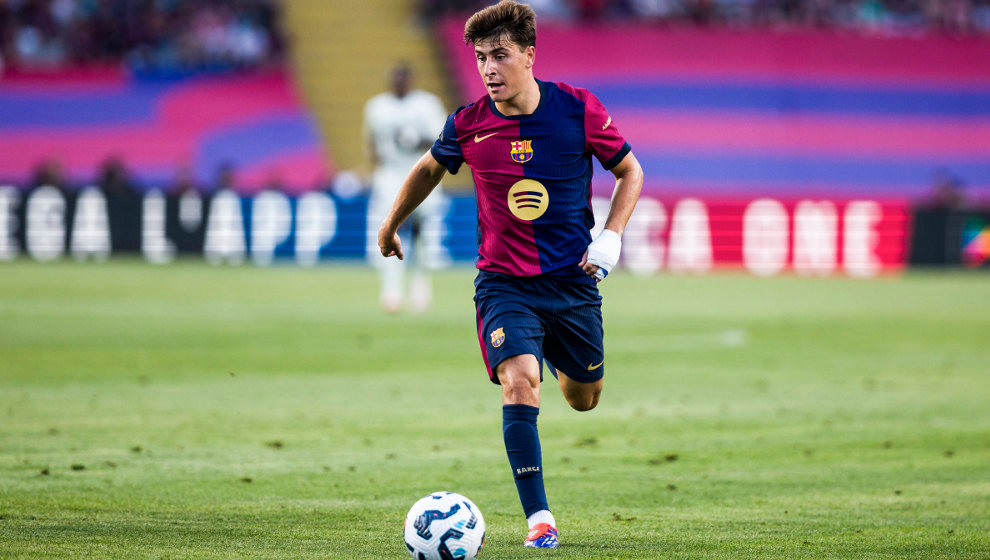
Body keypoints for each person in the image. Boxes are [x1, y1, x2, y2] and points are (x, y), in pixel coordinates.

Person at [378, 0, 643, 549]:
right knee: (520, 382)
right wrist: (391, 224)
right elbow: (430, 167)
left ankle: (546, 351)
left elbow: (629, 171)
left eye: (499, 55)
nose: (489, 69)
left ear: (528, 54)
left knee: (584, 398)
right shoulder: (470, 123)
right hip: (503, 284)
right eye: (480, 58)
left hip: (572, 284)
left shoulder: (577, 109)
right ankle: (539, 520)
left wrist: (611, 235)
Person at [364, 61, 448, 312]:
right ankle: (391, 290)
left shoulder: (427, 104)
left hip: (422, 173)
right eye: (395, 78)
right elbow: (370, 142)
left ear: (411, 80)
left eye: (403, 78)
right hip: (390, 176)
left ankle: (420, 285)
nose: (398, 82)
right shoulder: (376, 107)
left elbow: (441, 140)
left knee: (423, 233)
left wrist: (415, 140)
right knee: (388, 229)